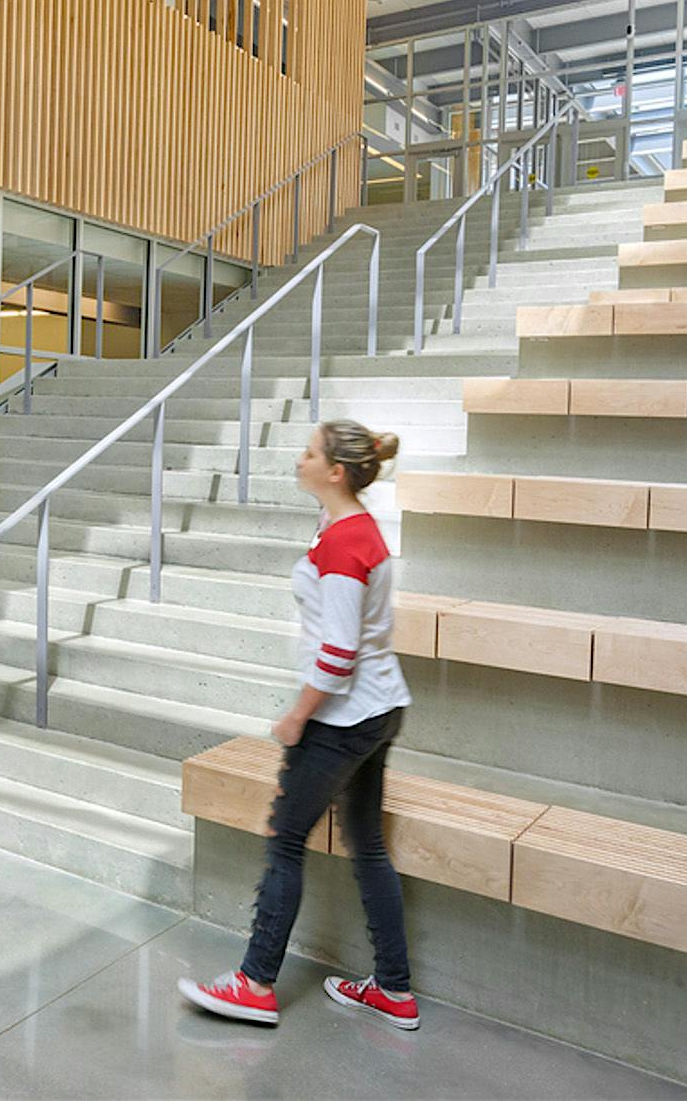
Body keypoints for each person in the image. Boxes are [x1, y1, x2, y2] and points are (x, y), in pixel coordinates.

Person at [179, 420, 418, 1032]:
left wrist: (296, 715)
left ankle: (255, 983)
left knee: (286, 841)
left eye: (310, 452)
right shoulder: (351, 529)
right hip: (380, 707)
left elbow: (337, 654)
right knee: (366, 846)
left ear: (334, 471)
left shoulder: (344, 544)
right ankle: (393, 989)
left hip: (343, 716)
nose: (300, 457)